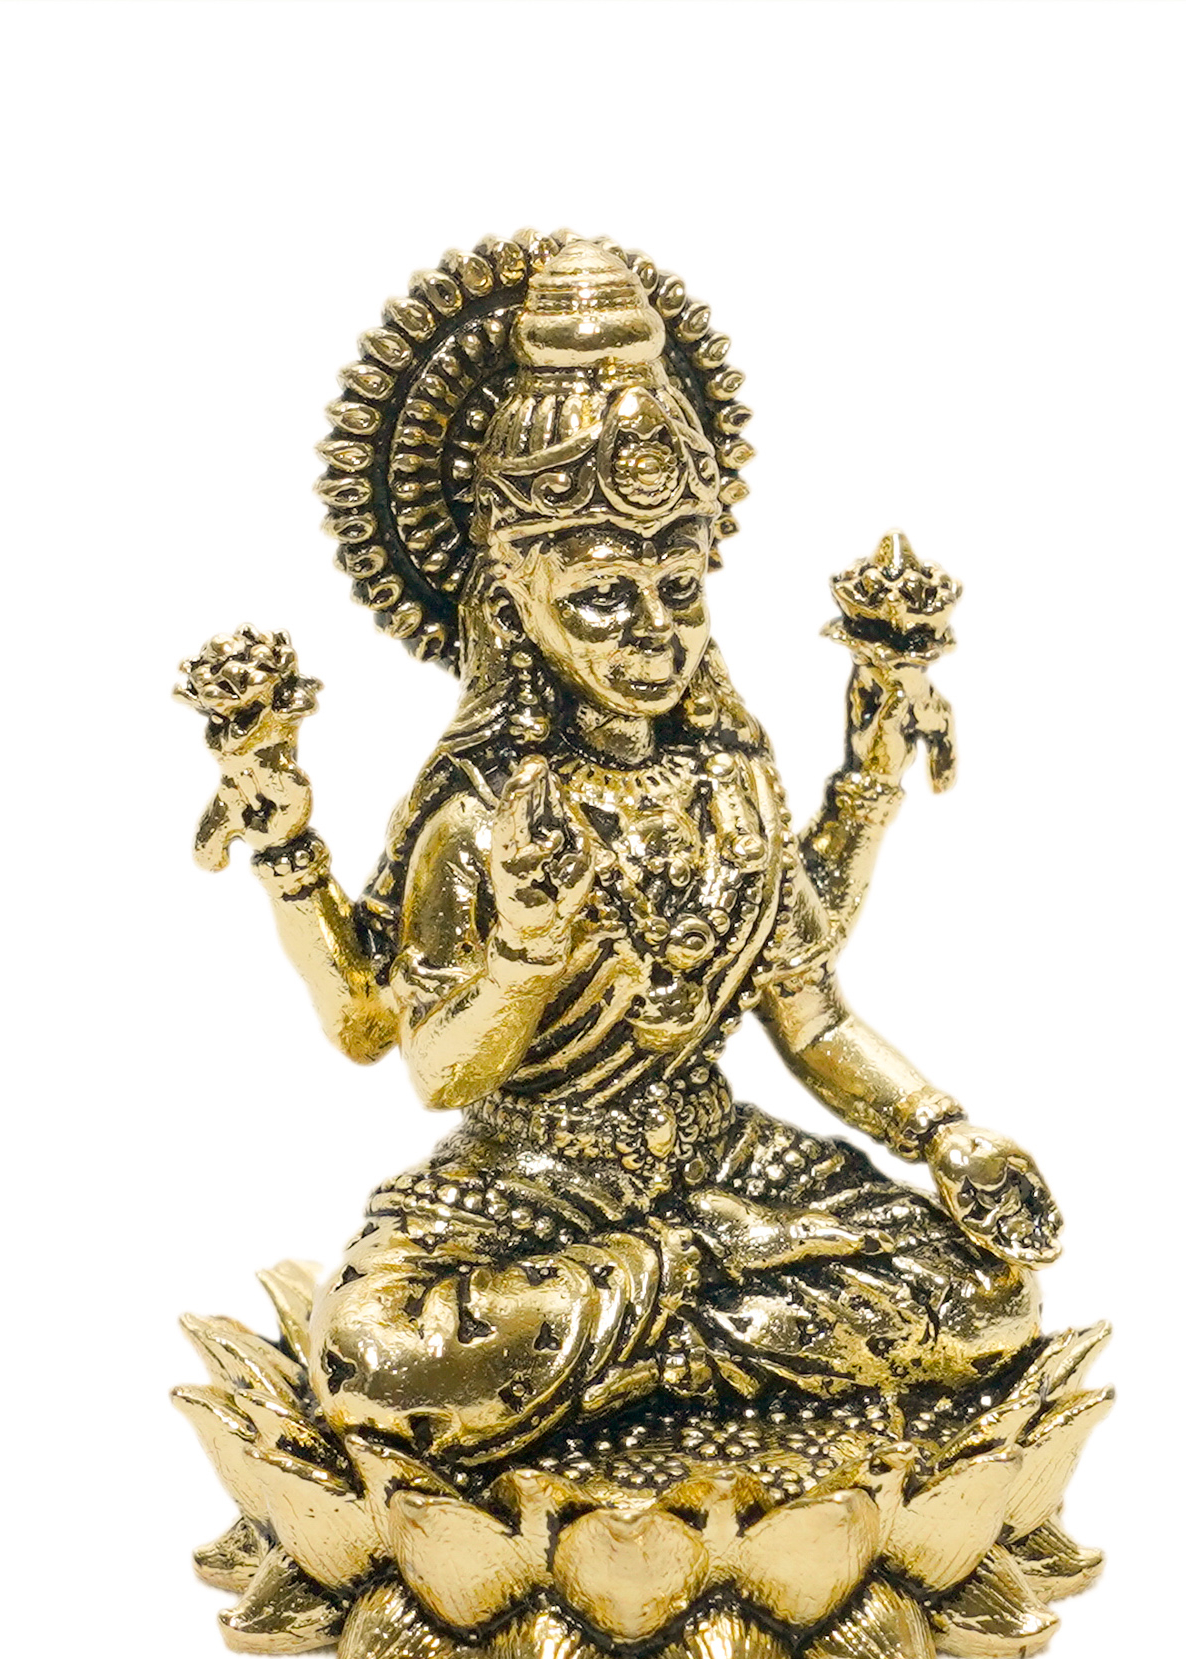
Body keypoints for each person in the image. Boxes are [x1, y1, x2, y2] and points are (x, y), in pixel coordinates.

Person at [215, 240, 1063, 1466]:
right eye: (604, 596)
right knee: (378, 1359)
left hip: (716, 1148)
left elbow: (810, 1014)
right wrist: (523, 953)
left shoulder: (728, 772)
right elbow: (434, 1068)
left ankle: (640, 1341)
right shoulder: (485, 810)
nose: (654, 635)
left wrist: (943, 1133)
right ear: (513, 598)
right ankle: (702, 1283)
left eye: (679, 588)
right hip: (526, 1185)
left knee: (988, 1297)